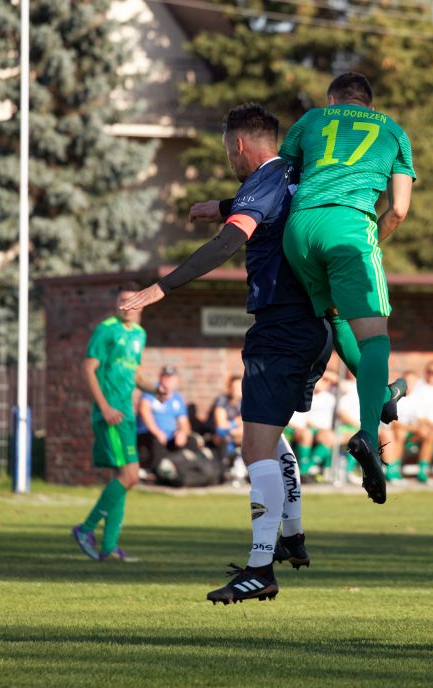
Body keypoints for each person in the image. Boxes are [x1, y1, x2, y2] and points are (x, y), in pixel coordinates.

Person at [120, 103, 331, 604]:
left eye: (227, 150)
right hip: (319, 325)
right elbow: (268, 202)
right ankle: (294, 537)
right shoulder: (300, 173)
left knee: (254, 448)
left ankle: (261, 568)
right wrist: (217, 203)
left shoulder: (265, 174)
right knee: (270, 436)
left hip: (281, 326)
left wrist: (162, 288)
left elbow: (229, 242)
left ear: (239, 145)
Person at [279, 71, 416, 504]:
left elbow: (280, 174)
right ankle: (370, 436)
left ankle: (381, 395)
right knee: (375, 338)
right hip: (350, 224)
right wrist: (368, 237)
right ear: (369, 104)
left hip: (298, 229)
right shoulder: (393, 131)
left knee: (337, 316)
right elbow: (398, 209)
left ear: (333, 97)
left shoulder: (312, 120)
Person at [72, 282, 152, 563]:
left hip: (127, 414)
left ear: (142, 304)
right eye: (123, 302)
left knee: (125, 479)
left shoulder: (139, 334)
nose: (127, 307)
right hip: (112, 414)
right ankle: (85, 529)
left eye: (132, 302)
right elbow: (88, 368)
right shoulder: (106, 330)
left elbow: (136, 373)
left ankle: (108, 547)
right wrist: (104, 407)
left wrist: (155, 389)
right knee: (129, 476)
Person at [138, 366, 192, 478]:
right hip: (150, 435)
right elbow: (144, 411)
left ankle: (184, 470)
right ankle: (157, 472)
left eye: (171, 378)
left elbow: (184, 422)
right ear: (160, 378)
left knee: (191, 441)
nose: (168, 381)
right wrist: (156, 431)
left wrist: (182, 432)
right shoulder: (151, 391)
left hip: (169, 437)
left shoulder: (178, 398)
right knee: (156, 440)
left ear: (177, 380)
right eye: (165, 377)